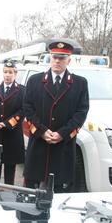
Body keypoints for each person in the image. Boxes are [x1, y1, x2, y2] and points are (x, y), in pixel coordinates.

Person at [23, 41, 89, 193]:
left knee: (60, 190)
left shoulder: (80, 83)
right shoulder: (35, 81)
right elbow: (28, 108)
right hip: (39, 142)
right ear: (50, 58)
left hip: (63, 145)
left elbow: (81, 112)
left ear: (69, 60)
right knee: (32, 191)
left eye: (62, 58)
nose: (57, 61)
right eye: (55, 57)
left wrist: (62, 133)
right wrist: (41, 130)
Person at [0, 60, 25, 189]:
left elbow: (22, 110)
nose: (7, 75)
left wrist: (8, 123)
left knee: (10, 164)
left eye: (10, 72)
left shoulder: (21, 91)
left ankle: (9, 189)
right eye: (5, 72)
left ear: (15, 74)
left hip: (11, 134)